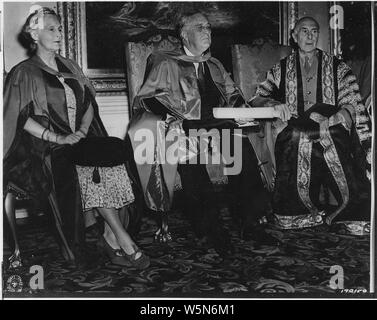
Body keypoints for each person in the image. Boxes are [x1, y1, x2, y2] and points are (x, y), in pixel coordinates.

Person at [3, 7, 149, 269]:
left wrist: (81, 131)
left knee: (114, 152)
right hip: (43, 146)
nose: (59, 34)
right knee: (78, 167)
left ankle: (111, 234)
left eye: (60, 28)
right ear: (34, 35)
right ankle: (116, 240)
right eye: (52, 29)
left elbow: (89, 102)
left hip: (78, 137)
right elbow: (19, 118)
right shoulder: (23, 72)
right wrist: (56, 137)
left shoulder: (70, 65)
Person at [127, 11, 282, 254]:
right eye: (200, 27)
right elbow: (147, 99)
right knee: (190, 153)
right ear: (184, 35)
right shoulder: (164, 61)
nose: (207, 31)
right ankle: (211, 229)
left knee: (240, 144)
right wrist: (176, 116)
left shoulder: (215, 64)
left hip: (219, 125)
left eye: (208, 27)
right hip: (185, 126)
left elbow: (233, 97)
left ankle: (249, 223)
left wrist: (245, 114)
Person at [251, 17, 371, 230]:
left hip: (330, 124)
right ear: (294, 36)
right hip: (295, 126)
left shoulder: (337, 67)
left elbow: (352, 102)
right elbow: (258, 97)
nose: (309, 36)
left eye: (313, 31)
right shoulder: (280, 68)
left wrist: (336, 117)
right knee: (296, 137)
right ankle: (296, 213)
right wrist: (274, 103)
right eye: (303, 31)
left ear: (318, 35)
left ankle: (353, 212)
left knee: (331, 138)